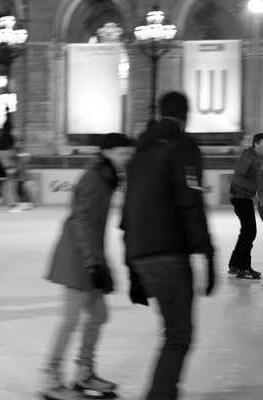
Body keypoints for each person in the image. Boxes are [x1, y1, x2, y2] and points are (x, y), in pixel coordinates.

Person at [122, 91, 215, 400]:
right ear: (186, 115)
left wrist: (132, 267)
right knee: (179, 335)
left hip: (142, 254)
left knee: (172, 330)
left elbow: (127, 213)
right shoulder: (183, 145)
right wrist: (208, 253)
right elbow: (191, 202)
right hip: (170, 253)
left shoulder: (139, 152)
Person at [42, 133, 134, 400]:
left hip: (89, 254)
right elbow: (83, 222)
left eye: (128, 155)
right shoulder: (95, 178)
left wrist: (101, 263)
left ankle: (84, 372)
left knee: (99, 315)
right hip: (77, 257)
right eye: (120, 154)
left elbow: (94, 227)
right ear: (105, 152)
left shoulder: (106, 177)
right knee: (72, 319)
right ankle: (51, 376)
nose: (125, 160)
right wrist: (94, 264)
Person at [226, 133, 263, 279]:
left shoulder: (260, 158)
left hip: (246, 197)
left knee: (246, 231)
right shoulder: (249, 156)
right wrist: (254, 191)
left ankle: (235, 264)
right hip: (239, 197)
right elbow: (237, 177)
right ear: (257, 144)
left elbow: (261, 180)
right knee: (250, 231)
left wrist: (260, 196)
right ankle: (243, 267)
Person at [9, 148, 33, 212]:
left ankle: (23, 205)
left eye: (12, 152)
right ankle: (27, 204)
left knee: (20, 191)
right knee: (21, 191)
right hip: (21, 177)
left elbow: (18, 169)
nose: (11, 153)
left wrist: (12, 171)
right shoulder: (19, 159)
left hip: (21, 177)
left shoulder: (18, 159)